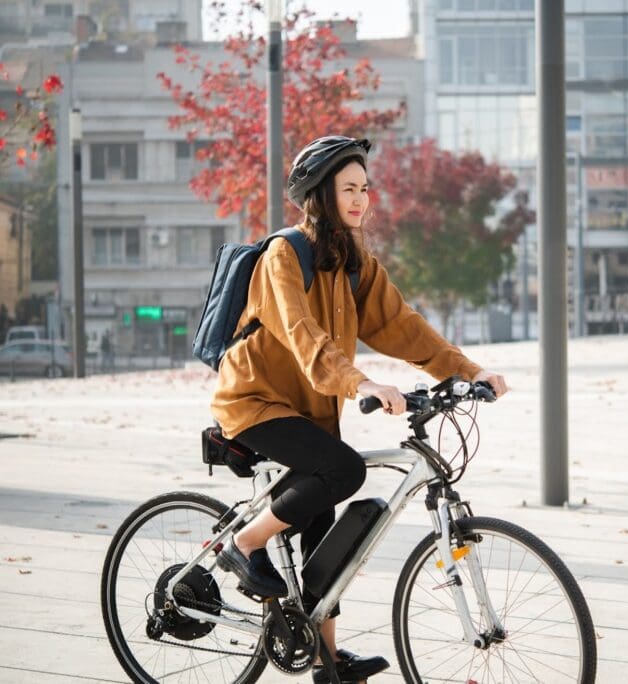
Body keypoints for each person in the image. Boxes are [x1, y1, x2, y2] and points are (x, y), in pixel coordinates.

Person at [210, 136, 508, 684]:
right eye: (348, 188)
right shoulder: (283, 256)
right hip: (254, 402)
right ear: (320, 195)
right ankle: (245, 542)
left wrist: (467, 372)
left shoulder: (353, 263)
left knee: (323, 528)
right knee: (343, 469)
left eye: (364, 188)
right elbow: (304, 336)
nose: (360, 199)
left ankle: (325, 660)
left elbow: (403, 326)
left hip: (310, 411)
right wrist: (361, 382)